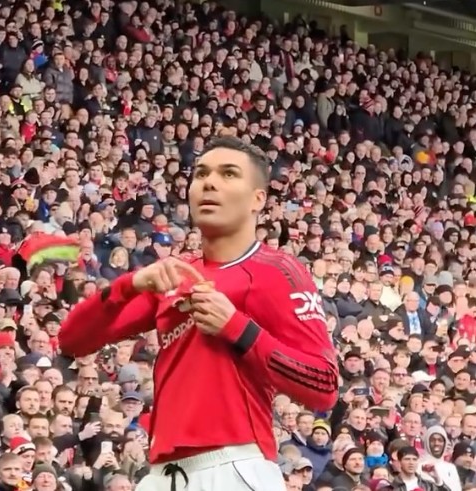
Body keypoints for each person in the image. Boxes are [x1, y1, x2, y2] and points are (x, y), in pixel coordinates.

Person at [59, 136, 339, 490]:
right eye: (201, 173)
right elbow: (72, 341)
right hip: (163, 475)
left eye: (228, 174)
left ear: (258, 199)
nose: (209, 182)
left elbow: (324, 385)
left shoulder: (278, 270)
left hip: (234, 465)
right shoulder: (176, 274)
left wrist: (237, 328)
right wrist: (128, 285)